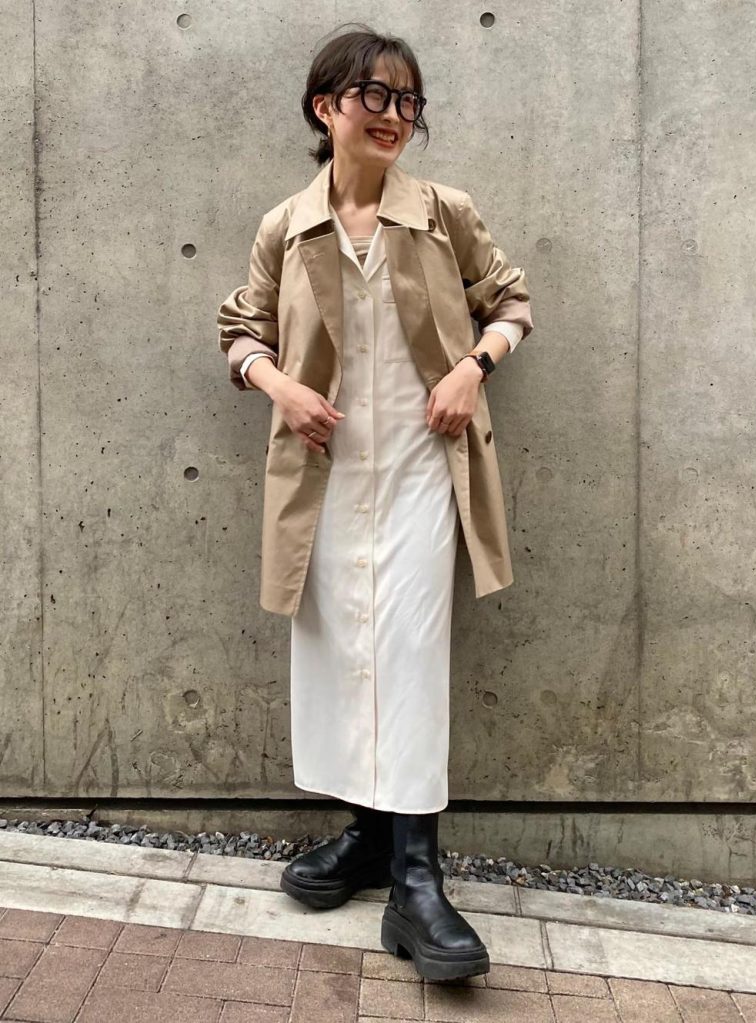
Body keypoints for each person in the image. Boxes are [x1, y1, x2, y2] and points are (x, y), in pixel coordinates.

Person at [216, 24, 533, 981]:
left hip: (422, 472)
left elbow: (512, 303)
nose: (395, 116)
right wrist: (280, 386)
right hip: (325, 480)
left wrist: (474, 368)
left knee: (408, 657)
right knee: (341, 658)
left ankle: (416, 882)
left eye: (408, 100)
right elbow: (239, 329)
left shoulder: (443, 213)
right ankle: (366, 837)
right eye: (375, 97)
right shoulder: (286, 225)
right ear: (327, 107)